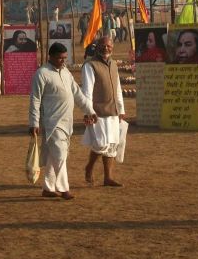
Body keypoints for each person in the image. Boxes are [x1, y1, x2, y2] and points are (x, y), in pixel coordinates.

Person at [28, 43, 97, 200]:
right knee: (60, 155)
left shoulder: (66, 72)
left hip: (67, 122)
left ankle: (48, 187)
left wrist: (90, 111)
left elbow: (78, 94)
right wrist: (34, 123)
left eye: (65, 58)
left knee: (56, 155)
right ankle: (64, 189)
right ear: (50, 57)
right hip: (52, 123)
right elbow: (35, 100)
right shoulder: (42, 74)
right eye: (59, 57)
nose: (62, 61)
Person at [81, 36, 126, 187]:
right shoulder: (90, 65)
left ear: (112, 46)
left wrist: (121, 109)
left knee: (112, 145)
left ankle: (108, 178)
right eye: (103, 45)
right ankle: (89, 167)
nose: (106, 48)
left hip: (113, 110)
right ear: (97, 47)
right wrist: (88, 112)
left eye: (109, 45)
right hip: (98, 111)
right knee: (101, 144)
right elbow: (87, 91)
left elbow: (118, 88)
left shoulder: (113, 63)